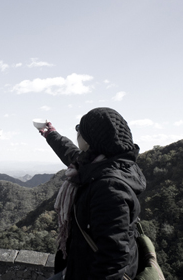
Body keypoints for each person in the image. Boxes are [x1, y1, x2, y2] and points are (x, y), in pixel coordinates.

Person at [38, 107, 146, 280]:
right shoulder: (105, 164)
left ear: (90, 141)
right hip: (79, 264)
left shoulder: (110, 188)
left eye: (79, 129)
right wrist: (51, 134)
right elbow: (71, 153)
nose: (77, 133)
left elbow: (113, 259)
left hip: (89, 271)